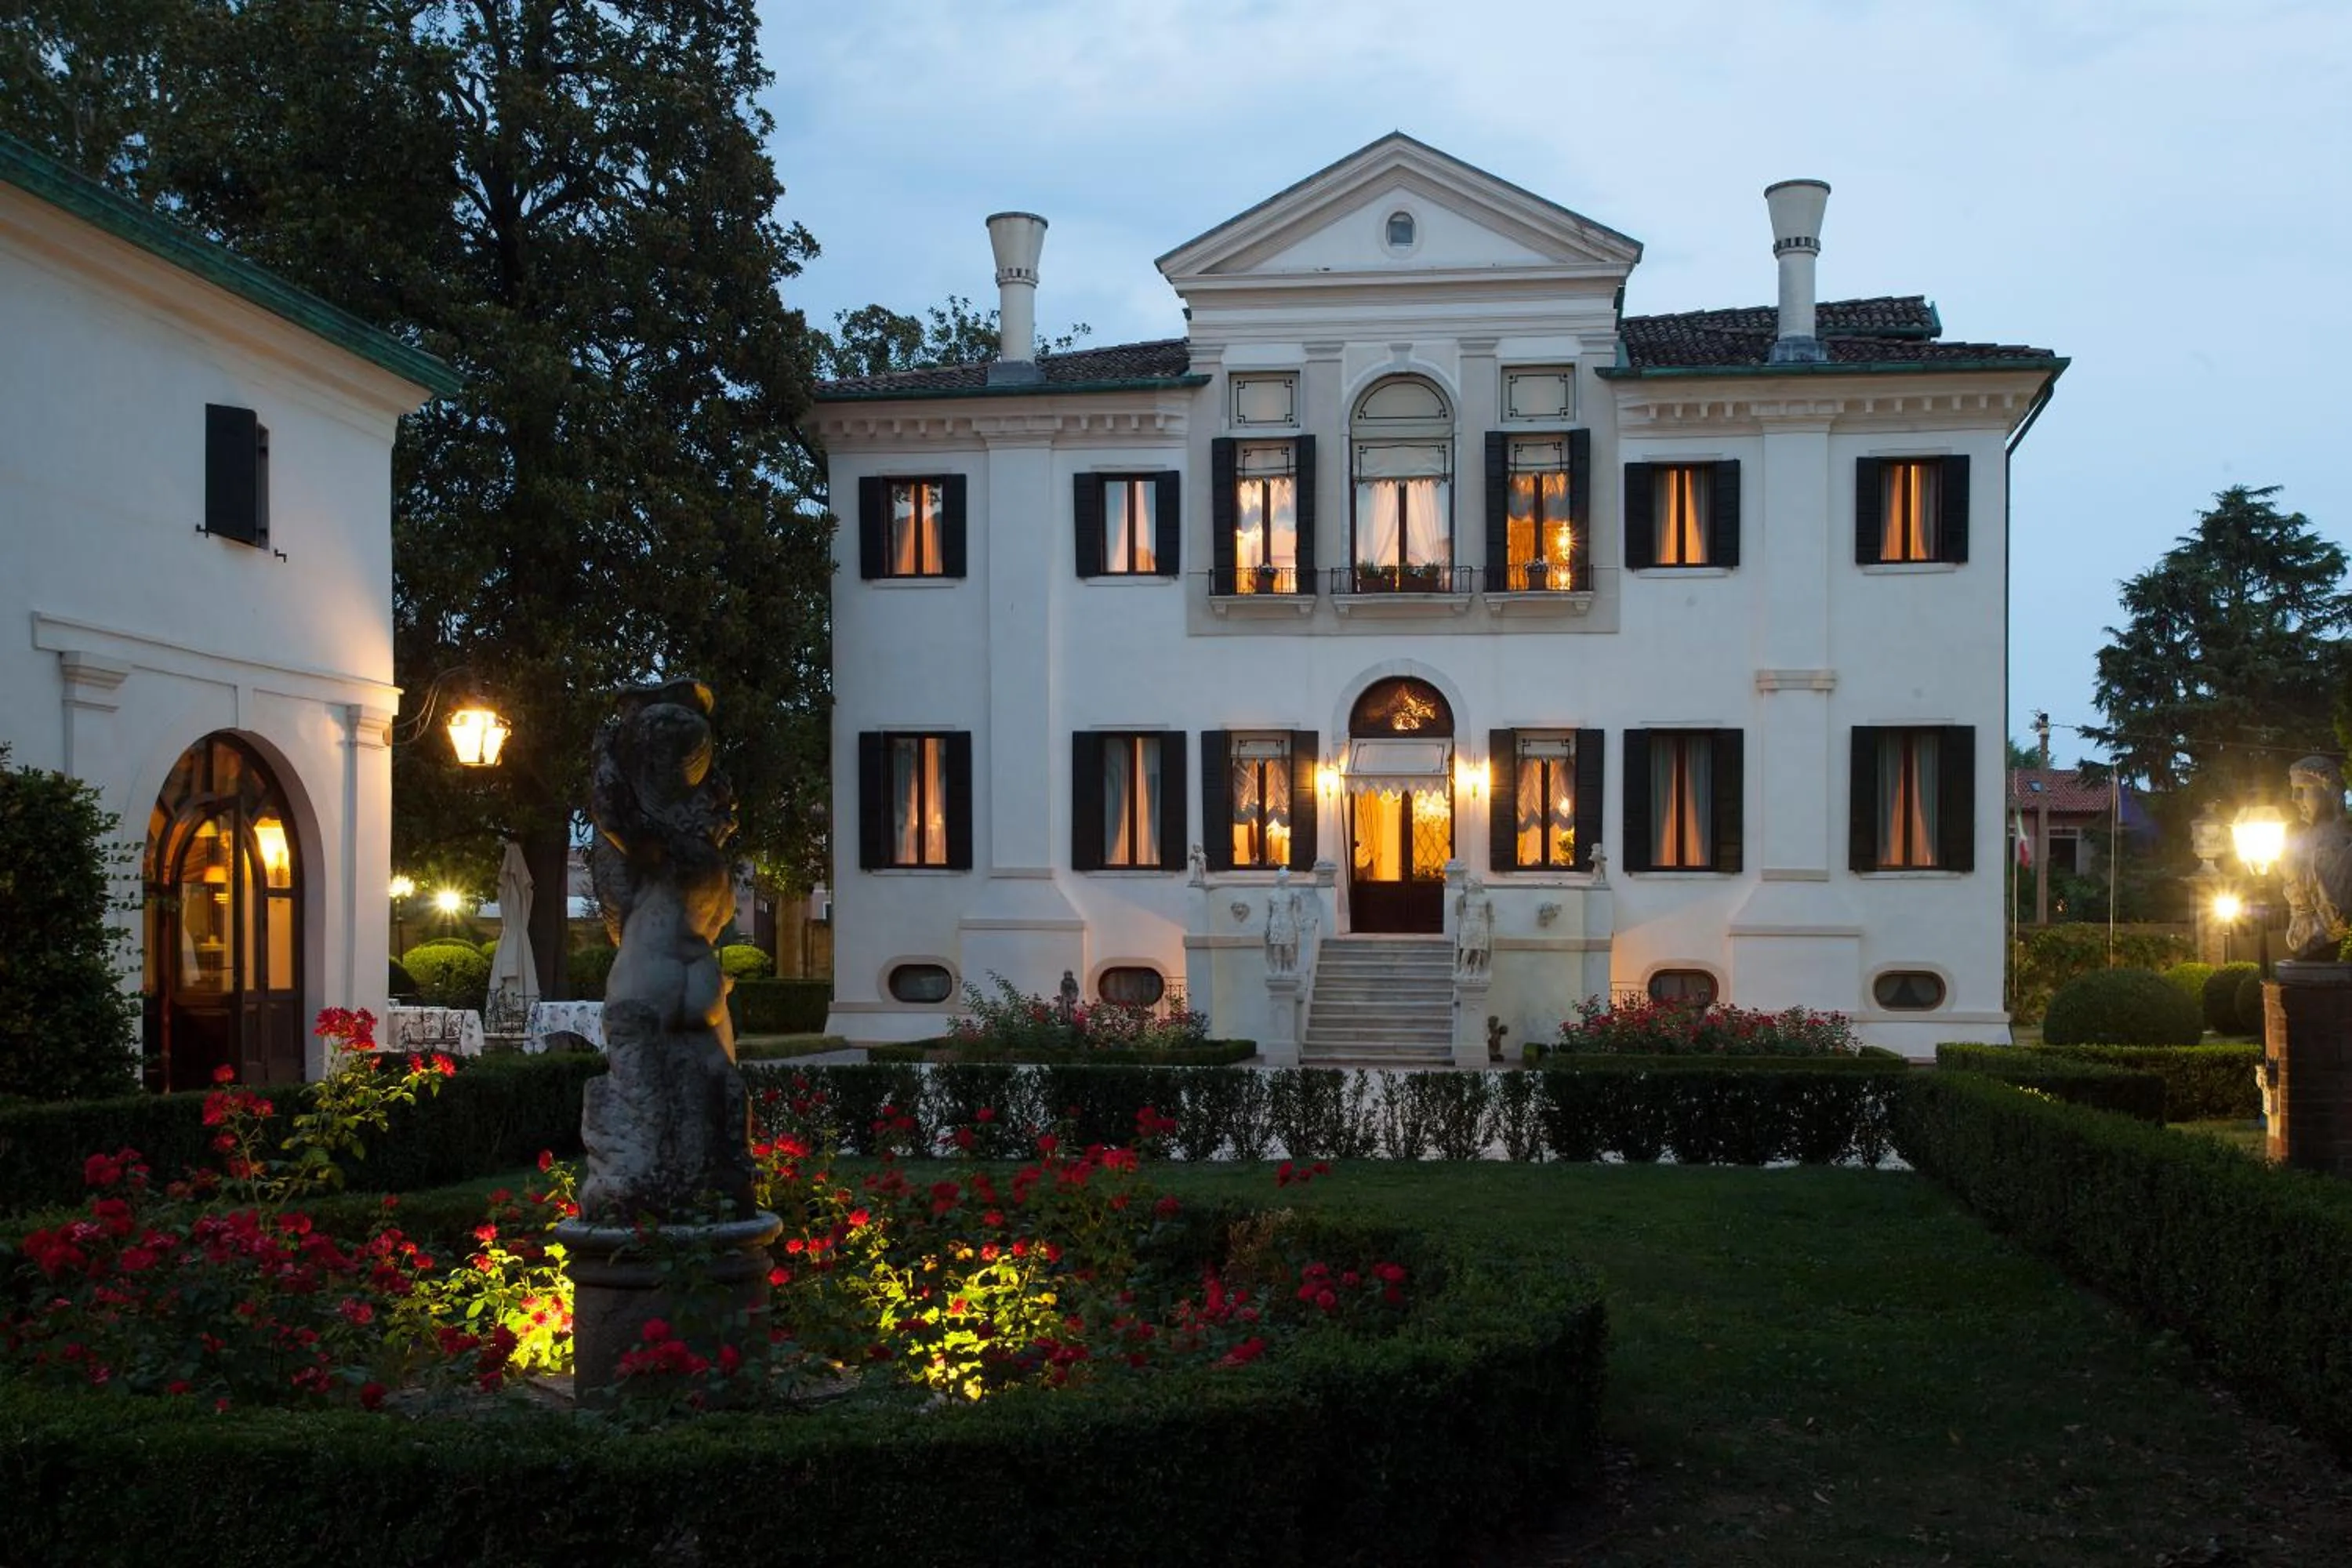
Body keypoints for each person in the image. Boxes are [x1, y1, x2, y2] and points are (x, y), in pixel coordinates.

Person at [2281, 755, 2352, 960]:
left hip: (2325, 940)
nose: (2294, 798)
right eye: (2293, 790)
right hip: (2302, 939)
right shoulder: (2297, 841)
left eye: (2302, 789)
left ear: (2327, 790)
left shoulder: (2344, 845)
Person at [1265, 867, 1300, 975]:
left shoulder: (1292, 894)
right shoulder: (1272, 895)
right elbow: (1268, 912)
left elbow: (1296, 910)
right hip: (1275, 921)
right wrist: (1267, 926)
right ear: (1280, 879)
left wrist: (1297, 922)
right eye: (1284, 878)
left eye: (1287, 879)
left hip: (1288, 921)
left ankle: (1290, 966)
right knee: (1277, 946)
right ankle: (1279, 967)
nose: (1286, 881)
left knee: (1288, 946)